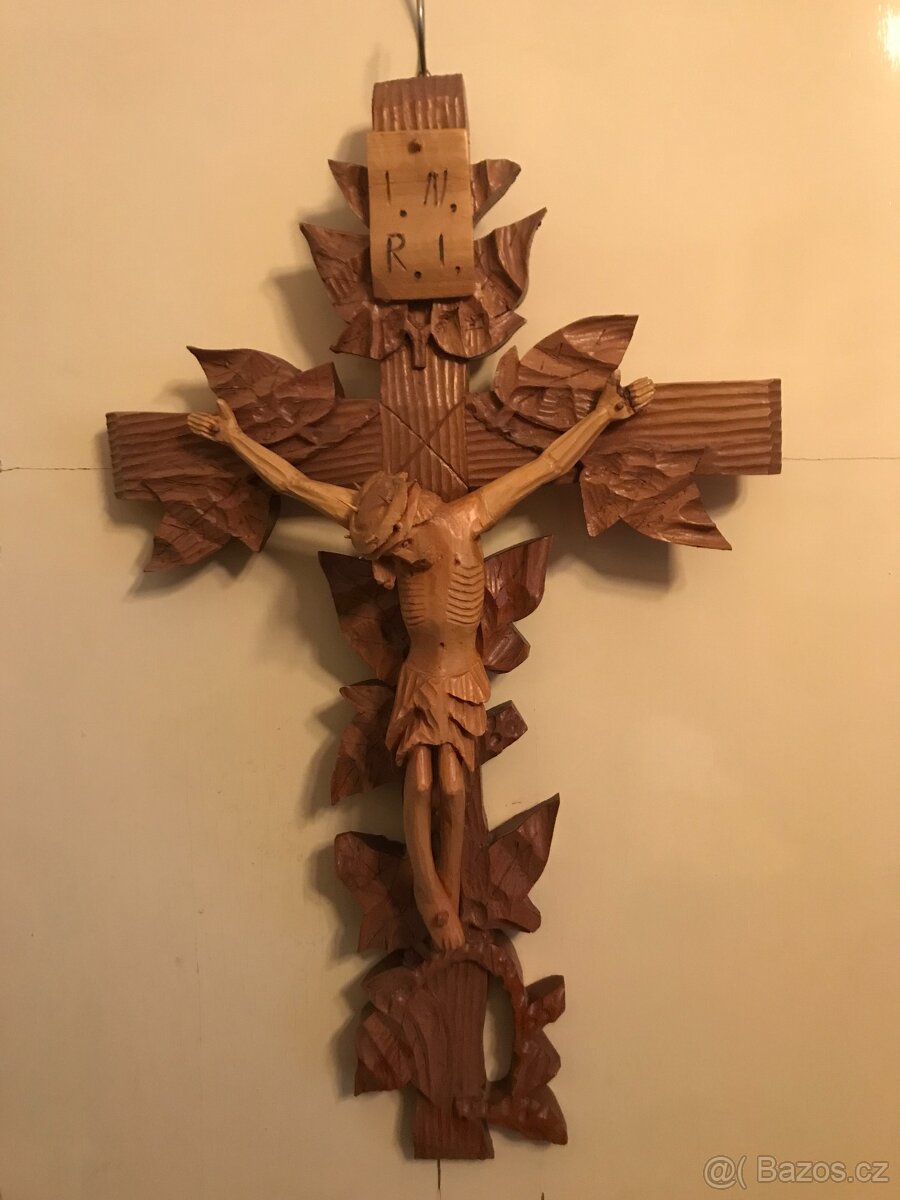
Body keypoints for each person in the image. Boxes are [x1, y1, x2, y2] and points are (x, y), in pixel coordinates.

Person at [188, 371, 654, 951]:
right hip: (419, 675)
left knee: (454, 787)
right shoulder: (374, 520)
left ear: (412, 522)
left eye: (398, 548)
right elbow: (294, 482)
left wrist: (604, 413)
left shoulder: (468, 518)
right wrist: (235, 438)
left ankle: (448, 895)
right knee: (422, 779)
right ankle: (427, 892)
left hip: (461, 676)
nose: (395, 565)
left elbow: (549, 465)